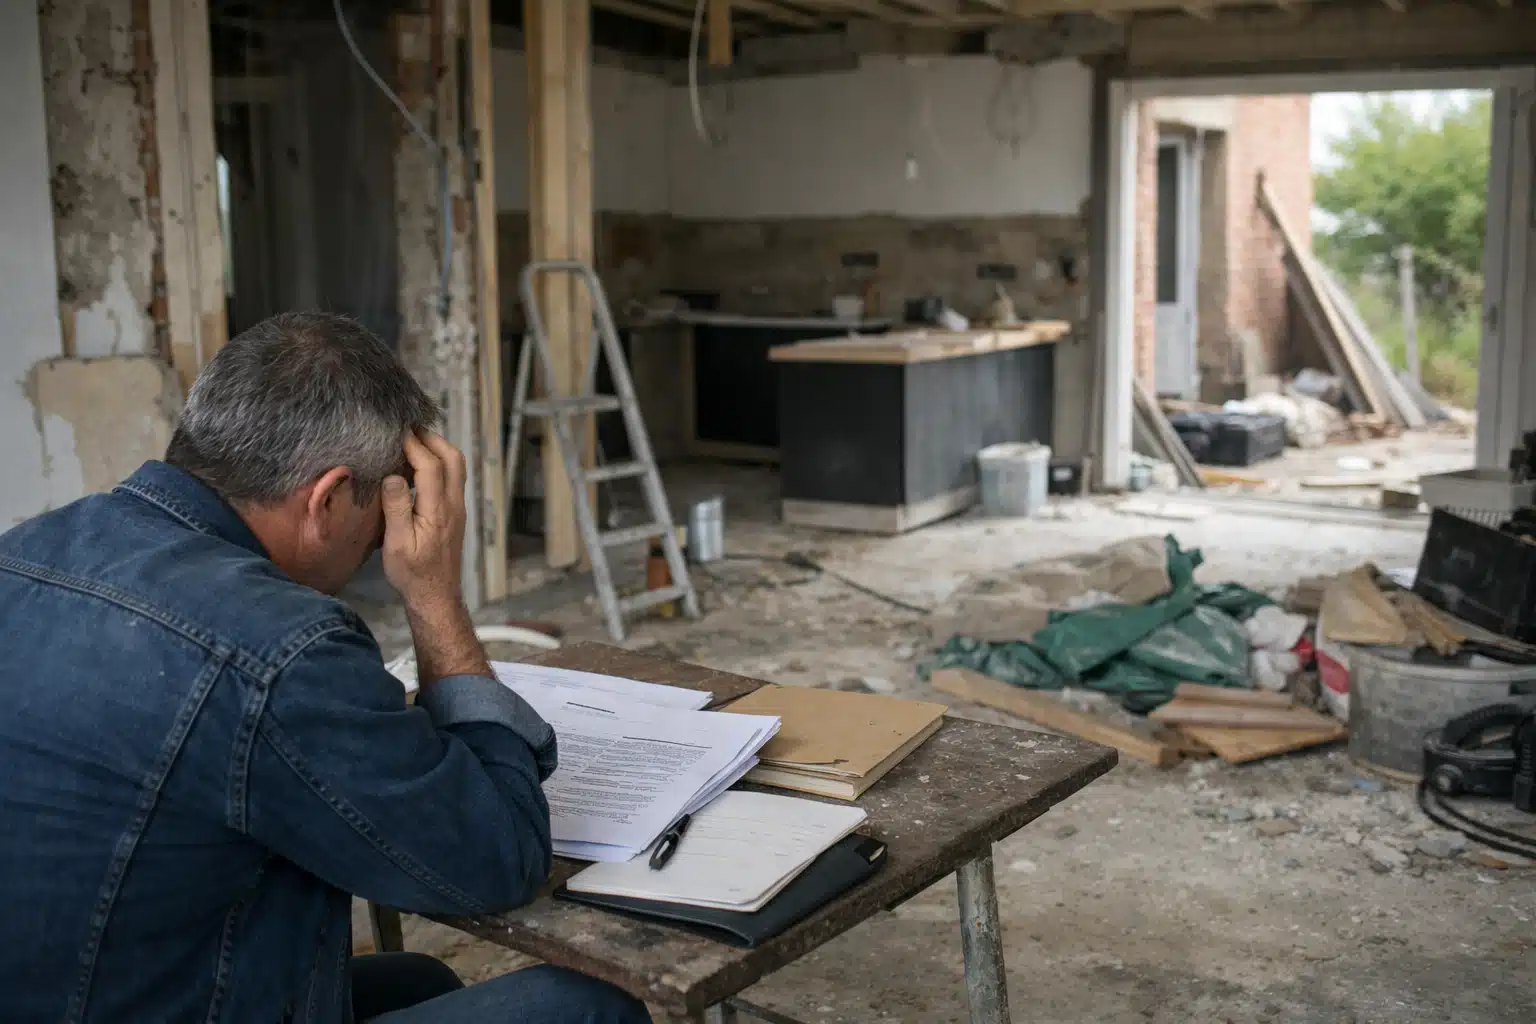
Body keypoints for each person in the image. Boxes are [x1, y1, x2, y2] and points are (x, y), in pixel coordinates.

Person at [0, 313, 650, 1024]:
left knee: (413, 979)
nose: (382, 549)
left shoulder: (24, 551)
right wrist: (433, 592)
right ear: (329, 499)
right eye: (379, 533)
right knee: (584, 1009)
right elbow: (496, 859)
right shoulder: (281, 646)